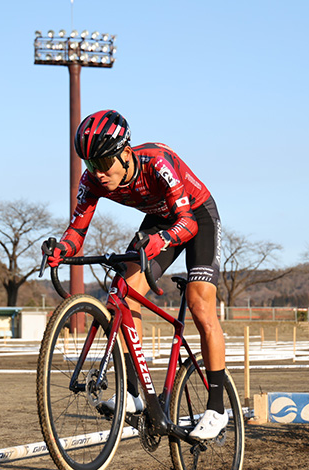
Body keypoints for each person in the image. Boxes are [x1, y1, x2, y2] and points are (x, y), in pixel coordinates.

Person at [44, 109, 228, 440]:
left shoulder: (157, 162)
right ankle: (134, 391)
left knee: (201, 305)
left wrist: (163, 240)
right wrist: (62, 249)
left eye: (103, 164)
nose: (97, 173)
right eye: (90, 164)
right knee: (124, 293)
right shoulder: (92, 181)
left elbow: (187, 222)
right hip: (159, 219)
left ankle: (217, 408)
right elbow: (77, 231)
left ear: (126, 153)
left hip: (195, 216)